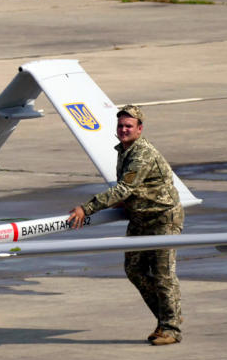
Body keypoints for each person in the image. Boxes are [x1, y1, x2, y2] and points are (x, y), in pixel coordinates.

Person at [67, 104, 184, 345]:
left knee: (163, 275)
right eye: (120, 126)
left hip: (162, 218)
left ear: (139, 129)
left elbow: (123, 187)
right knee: (135, 270)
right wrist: (126, 201)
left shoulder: (141, 153)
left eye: (129, 126)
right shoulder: (124, 150)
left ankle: (171, 328)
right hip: (141, 217)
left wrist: (86, 208)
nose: (123, 130)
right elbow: (130, 188)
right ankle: (167, 319)